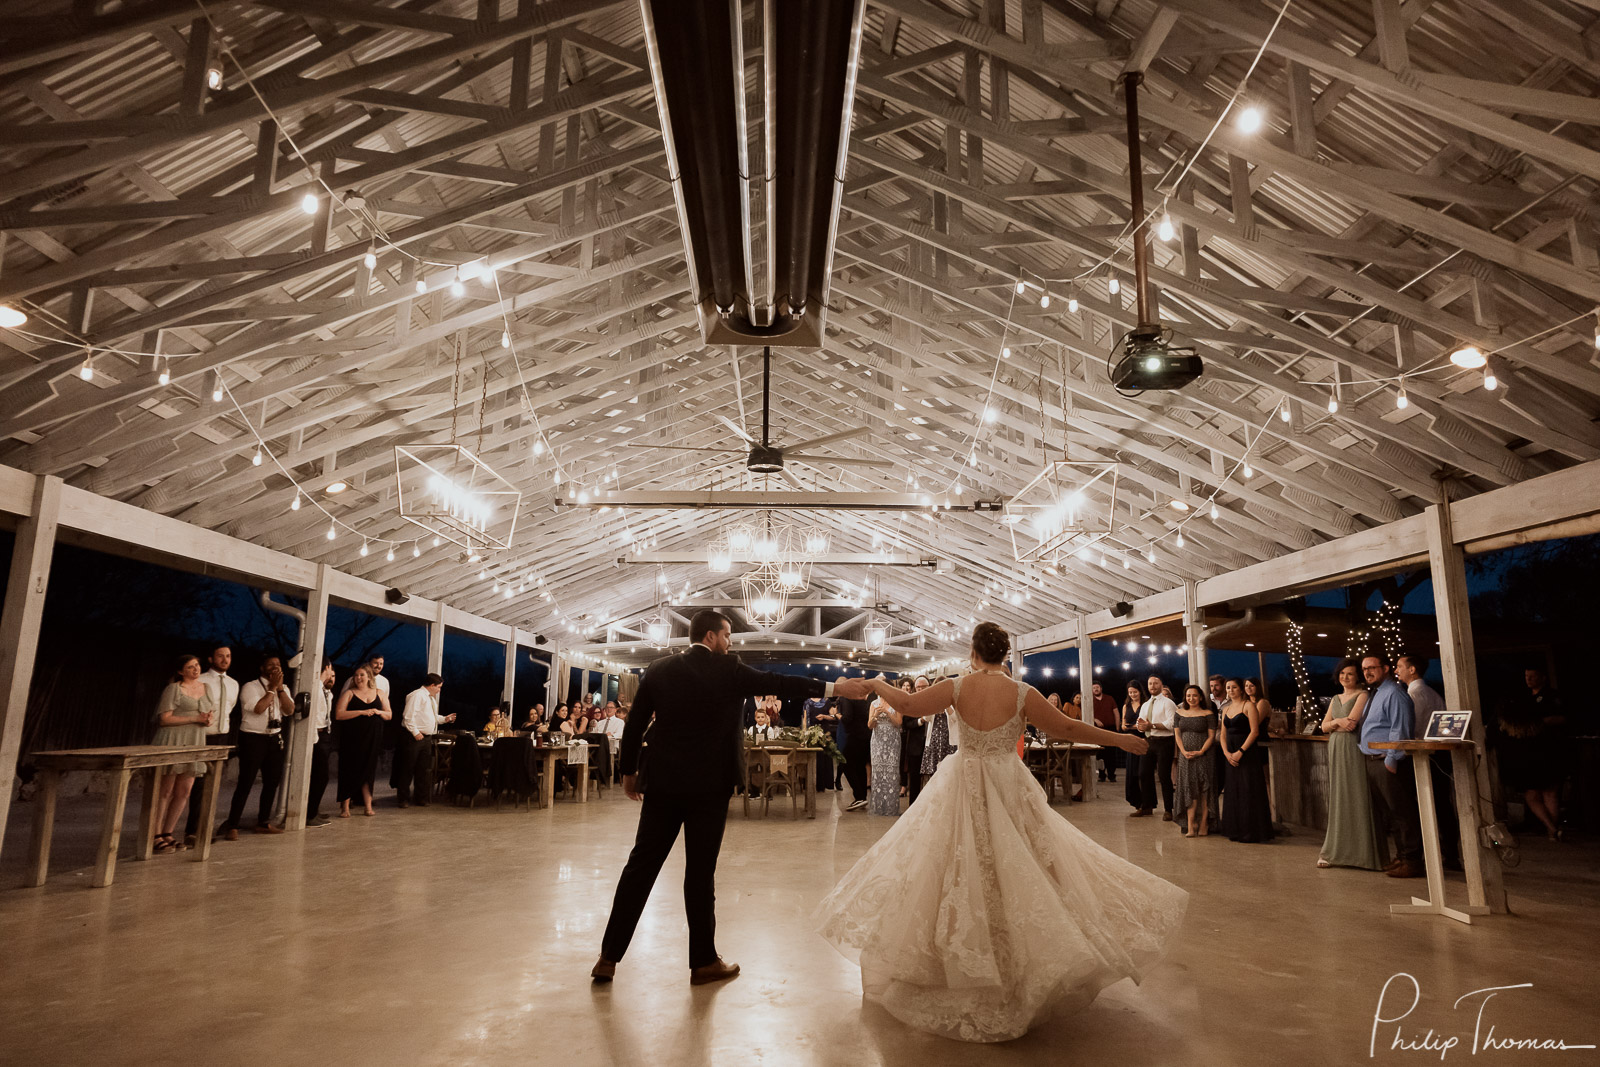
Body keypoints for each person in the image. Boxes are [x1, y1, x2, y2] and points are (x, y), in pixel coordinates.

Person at [815, 622, 1183, 1043]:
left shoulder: (956, 687)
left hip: (962, 783)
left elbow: (910, 706)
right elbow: (1067, 728)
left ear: (973, 652)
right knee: (1025, 868)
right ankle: (1015, 968)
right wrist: (1117, 739)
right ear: (1005, 654)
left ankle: (956, 964)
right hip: (1009, 785)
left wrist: (878, 682)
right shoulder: (1024, 693)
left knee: (952, 868)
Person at [591, 610, 872, 986]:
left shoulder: (658, 669)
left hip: (662, 782)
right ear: (710, 636)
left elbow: (636, 724)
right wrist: (835, 689)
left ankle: (608, 957)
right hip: (710, 785)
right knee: (700, 872)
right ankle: (703, 962)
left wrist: (629, 772)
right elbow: (780, 682)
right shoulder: (730, 670)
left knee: (640, 867)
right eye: (727, 637)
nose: (731, 644)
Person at [1317, 660, 1388, 870]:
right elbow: (1323, 726)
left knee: (1357, 794)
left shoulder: (1363, 695)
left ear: (1357, 676)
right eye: (1342, 673)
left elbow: (1352, 723)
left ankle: (1363, 854)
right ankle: (1335, 850)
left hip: (1352, 748)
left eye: (1350, 674)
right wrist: (1337, 723)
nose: (1345, 677)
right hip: (1336, 747)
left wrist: (1335, 724)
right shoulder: (1335, 698)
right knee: (1339, 796)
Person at [1358, 654, 1421, 877]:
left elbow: (1400, 728)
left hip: (1387, 761)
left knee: (1402, 813)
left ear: (1385, 668)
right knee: (1390, 814)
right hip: (1372, 760)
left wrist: (1391, 760)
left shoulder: (1394, 693)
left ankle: (1413, 861)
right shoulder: (1376, 694)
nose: (1367, 672)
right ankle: (1402, 856)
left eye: (1372, 668)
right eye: (1364, 669)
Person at [220, 655, 293, 840]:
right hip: (253, 739)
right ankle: (232, 824)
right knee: (246, 782)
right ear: (262, 668)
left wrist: (281, 689)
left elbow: (290, 710)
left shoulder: (283, 688)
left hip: (274, 738)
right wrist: (271, 690)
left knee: (272, 783)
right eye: (271, 665)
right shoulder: (250, 687)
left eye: (278, 664)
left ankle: (263, 822)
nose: (275, 668)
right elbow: (259, 709)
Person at [150, 655, 216, 854]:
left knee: (184, 791)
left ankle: (168, 833)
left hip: (195, 740)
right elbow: (164, 719)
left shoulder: (206, 688)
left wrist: (207, 720)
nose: (195, 670)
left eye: (196, 665)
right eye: (190, 667)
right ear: (181, 671)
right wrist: (194, 718)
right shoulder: (174, 689)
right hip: (173, 739)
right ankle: (155, 834)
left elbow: (210, 713)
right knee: (165, 791)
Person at [1396, 654, 1456, 864]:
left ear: (1412, 669)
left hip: (1425, 756)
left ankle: (1436, 853)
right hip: (1437, 754)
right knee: (1441, 805)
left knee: (1427, 806)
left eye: (1400, 666)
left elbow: (1413, 726)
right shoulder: (1430, 692)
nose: (1397, 671)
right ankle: (1450, 852)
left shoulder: (1416, 694)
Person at [1496, 667, 1569, 841]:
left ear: (1543, 677)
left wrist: (1537, 722)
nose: (1528, 679)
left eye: (1532, 676)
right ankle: (1552, 830)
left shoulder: (1552, 696)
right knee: (1538, 794)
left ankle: (1551, 828)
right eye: (1526, 676)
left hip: (1547, 749)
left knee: (1544, 793)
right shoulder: (1523, 698)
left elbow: (1562, 718)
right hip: (1532, 752)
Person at [184, 644, 238, 847]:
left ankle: (205, 828)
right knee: (196, 784)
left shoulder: (233, 684)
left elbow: (229, 708)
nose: (225, 660)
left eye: (228, 656)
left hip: (221, 737)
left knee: (213, 785)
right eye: (220, 656)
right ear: (210, 658)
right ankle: (192, 831)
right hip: (201, 735)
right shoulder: (202, 680)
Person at [1220, 678, 1274, 843]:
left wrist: (1240, 752)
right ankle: (1234, 829)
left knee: (1248, 789)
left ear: (1241, 689)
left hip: (1247, 753)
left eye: (1234, 687)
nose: (1230, 690)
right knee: (1233, 790)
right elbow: (1222, 734)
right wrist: (1227, 753)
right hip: (1230, 754)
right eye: (1228, 687)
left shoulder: (1249, 705)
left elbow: (1255, 731)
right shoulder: (1226, 709)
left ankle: (1251, 831)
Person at [335, 665, 391, 818]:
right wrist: (361, 712)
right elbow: (339, 714)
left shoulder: (380, 693)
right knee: (349, 770)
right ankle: (345, 807)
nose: (358, 678)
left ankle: (368, 806)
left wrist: (378, 712)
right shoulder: (349, 693)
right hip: (352, 738)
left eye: (361, 675)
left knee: (368, 771)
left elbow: (389, 715)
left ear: (369, 677)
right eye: (356, 675)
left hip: (372, 738)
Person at [394, 673, 452, 808]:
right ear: (432, 685)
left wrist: (445, 719)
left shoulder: (430, 698)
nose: (439, 690)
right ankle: (403, 799)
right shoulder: (417, 695)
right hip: (414, 737)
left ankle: (420, 797)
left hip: (426, 738)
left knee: (423, 769)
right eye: (438, 687)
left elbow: (432, 716)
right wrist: (415, 732)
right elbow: (408, 716)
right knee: (407, 768)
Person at [1172, 684, 1218, 838]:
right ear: (1185, 697)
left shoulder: (1208, 714)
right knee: (1188, 788)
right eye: (1188, 695)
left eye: (1194, 695)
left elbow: (1211, 736)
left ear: (1200, 697)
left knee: (1204, 789)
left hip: (1204, 755)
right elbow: (1177, 735)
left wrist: (1201, 751)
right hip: (1186, 757)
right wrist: (1183, 752)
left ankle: (1204, 822)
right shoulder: (1179, 713)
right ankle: (1191, 825)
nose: (1191, 698)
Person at [1134, 675, 1177, 820]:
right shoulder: (1146, 705)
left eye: (1155, 683)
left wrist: (1151, 725)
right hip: (1148, 740)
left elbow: (1172, 724)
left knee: (1164, 776)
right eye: (1150, 684)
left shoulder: (1168, 703)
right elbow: (1141, 723)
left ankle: (1169, 809)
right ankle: (1147, 806)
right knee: (1143, 773)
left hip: (1164, 742)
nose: (1152, 686)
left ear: (1161, 685)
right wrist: (1141, 726)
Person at [306, 661, 336, 827]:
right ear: (326, 668)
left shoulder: (325, 691)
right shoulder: (315, 687)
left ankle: (313, 810)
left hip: (325, 733)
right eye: (330, 669)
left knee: (321, 776)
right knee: (320, 776)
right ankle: (310, 814)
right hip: (316, 735)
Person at [868, 684, 903, 816]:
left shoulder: (896, 702)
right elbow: (870, 725)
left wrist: (887, 712)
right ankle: (878, 807)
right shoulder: (873, 703)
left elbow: (899, 722)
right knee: (877, 771)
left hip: (892, 741)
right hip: (877, 741)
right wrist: (875, 715)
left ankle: (891, 807)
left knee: (892, 771)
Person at [838, 690, 872, 812]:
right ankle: (862, 797)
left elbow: (847, 718)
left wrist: (837, 715)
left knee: (845, 764)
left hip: (855, 736)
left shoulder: (846, 697)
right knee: (859, 766)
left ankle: (859, 796)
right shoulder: (861, 699)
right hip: (866, 736)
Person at [901, 677, 929, 803]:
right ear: (915, 688)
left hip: (931, 746)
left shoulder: (934, 700)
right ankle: (913, 806)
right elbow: (906, 724)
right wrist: (920, 721)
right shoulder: (910, 702)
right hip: (915, 747)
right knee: (914, 779)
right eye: (919, 687)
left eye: (924, 687)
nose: (921, 689)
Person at [1121, 682, 1146, 811]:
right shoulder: (1126, 706)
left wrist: (1139, 726)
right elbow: (1122, 725)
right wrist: (1127, 726)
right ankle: (1137, 804)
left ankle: (1145, 803)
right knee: (1132, 772)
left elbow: (1145, 723)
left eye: (1135, 692)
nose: (1133, 695)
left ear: (1140, 691)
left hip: (1143, 739)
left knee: (1142, 772)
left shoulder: (1145, 705)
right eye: (1130, 692)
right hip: (1130, 740)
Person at [1091, 682, 1119, 783]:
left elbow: (1116, 713)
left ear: (1101, 688)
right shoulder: (1089, 700)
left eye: (1097, 687)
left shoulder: (1109, 698)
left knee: (1111, 753)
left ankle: (1112, 775)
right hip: (1097, 730)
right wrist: (1095, 720)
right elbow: (1085, 713)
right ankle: (1101, 775)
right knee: (1100, 753)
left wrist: (1117, 727)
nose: (1096, 689)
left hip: (1111, 729)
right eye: (1094, 688)